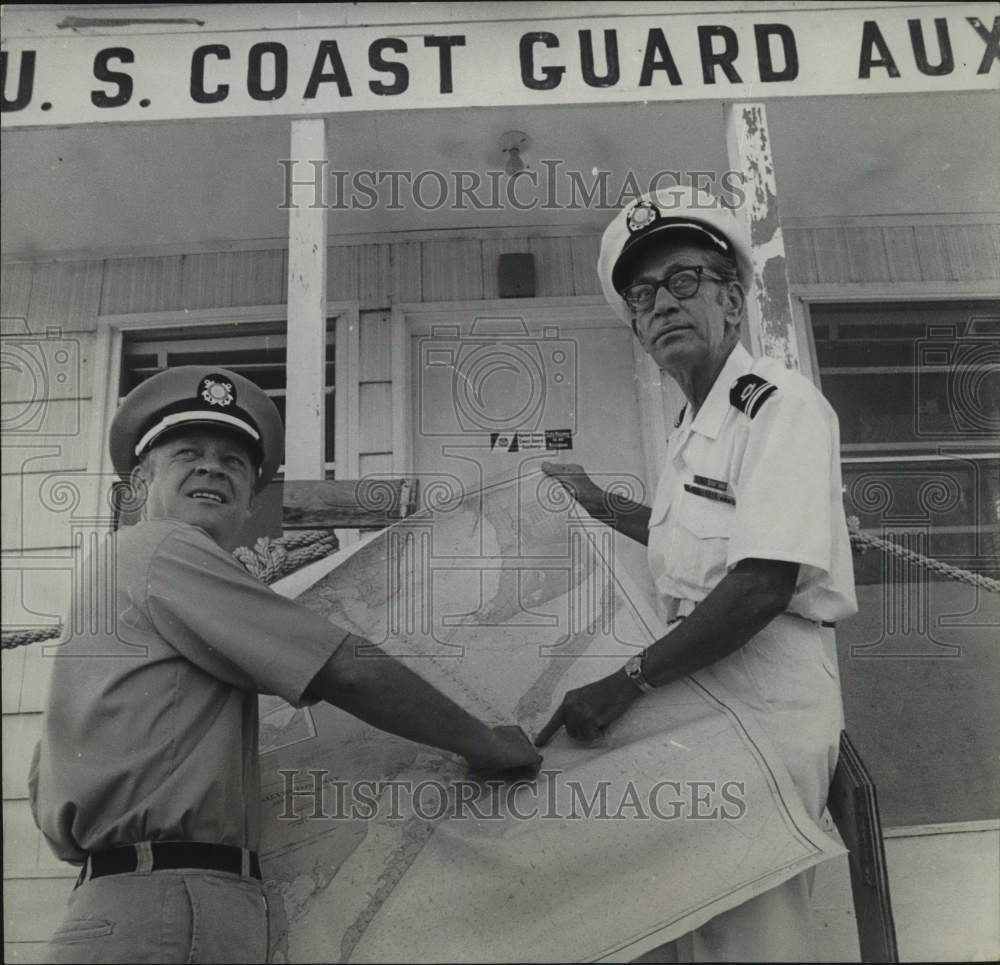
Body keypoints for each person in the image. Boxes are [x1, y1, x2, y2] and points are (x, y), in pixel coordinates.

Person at [29, 365, 540, 964]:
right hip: (172, 904)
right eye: (187, 451)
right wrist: (486, 744)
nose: (213, 467)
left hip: (117, 903)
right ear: (139, 485)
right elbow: (345, 669)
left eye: (235, 462)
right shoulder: (164, 547)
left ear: (249, 501)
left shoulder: (119, 577)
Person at [538, 186, 858, 962]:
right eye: (643, 295)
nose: (661, 306)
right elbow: (688, 544)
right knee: (682, 923)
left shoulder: (779, 405)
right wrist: (594, 504)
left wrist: (626, 682)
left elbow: (759, 582)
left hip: (765, 691)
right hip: (702, 690)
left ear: (732, 295)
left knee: (752, 934)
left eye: (683, 281)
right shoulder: (692, 426)